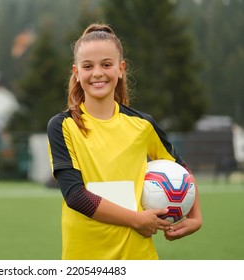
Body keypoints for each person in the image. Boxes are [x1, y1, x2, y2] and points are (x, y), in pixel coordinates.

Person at [47, 23, 202, 260]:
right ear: (76, 73)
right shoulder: (62, 126)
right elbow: (76, 196)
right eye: (88, 66)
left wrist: (195, 217)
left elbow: (182, 169)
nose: (97, 72)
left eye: (106, 65)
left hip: (138, 257)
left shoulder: (143, 125)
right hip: (85, 258)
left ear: (120, 69)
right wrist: (137, 219)